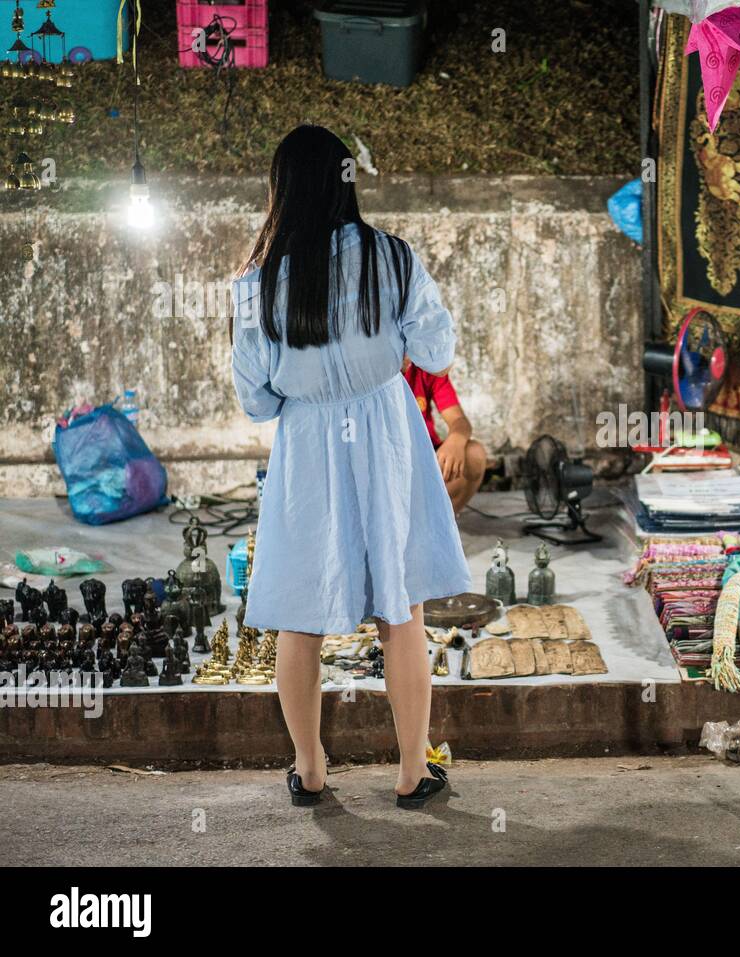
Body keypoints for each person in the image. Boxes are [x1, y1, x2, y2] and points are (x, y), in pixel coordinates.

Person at [230, 125, 472, 808]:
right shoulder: (392, 258)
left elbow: (255, 397)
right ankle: (409, 772)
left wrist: (306, 384)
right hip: (387, 434)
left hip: (306, 441)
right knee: (403, 609)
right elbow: (435, 349)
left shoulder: (258, 282)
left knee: (298, 615)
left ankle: (309, 769)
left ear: (282, 191)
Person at [402, 358, 487, 514]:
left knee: (474, 454)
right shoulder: (371, 374)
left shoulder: (425, 368)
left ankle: (445, 525)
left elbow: (459, 420)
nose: (407, 355)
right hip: (392, 464)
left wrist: (455, 441)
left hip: (426, 456)